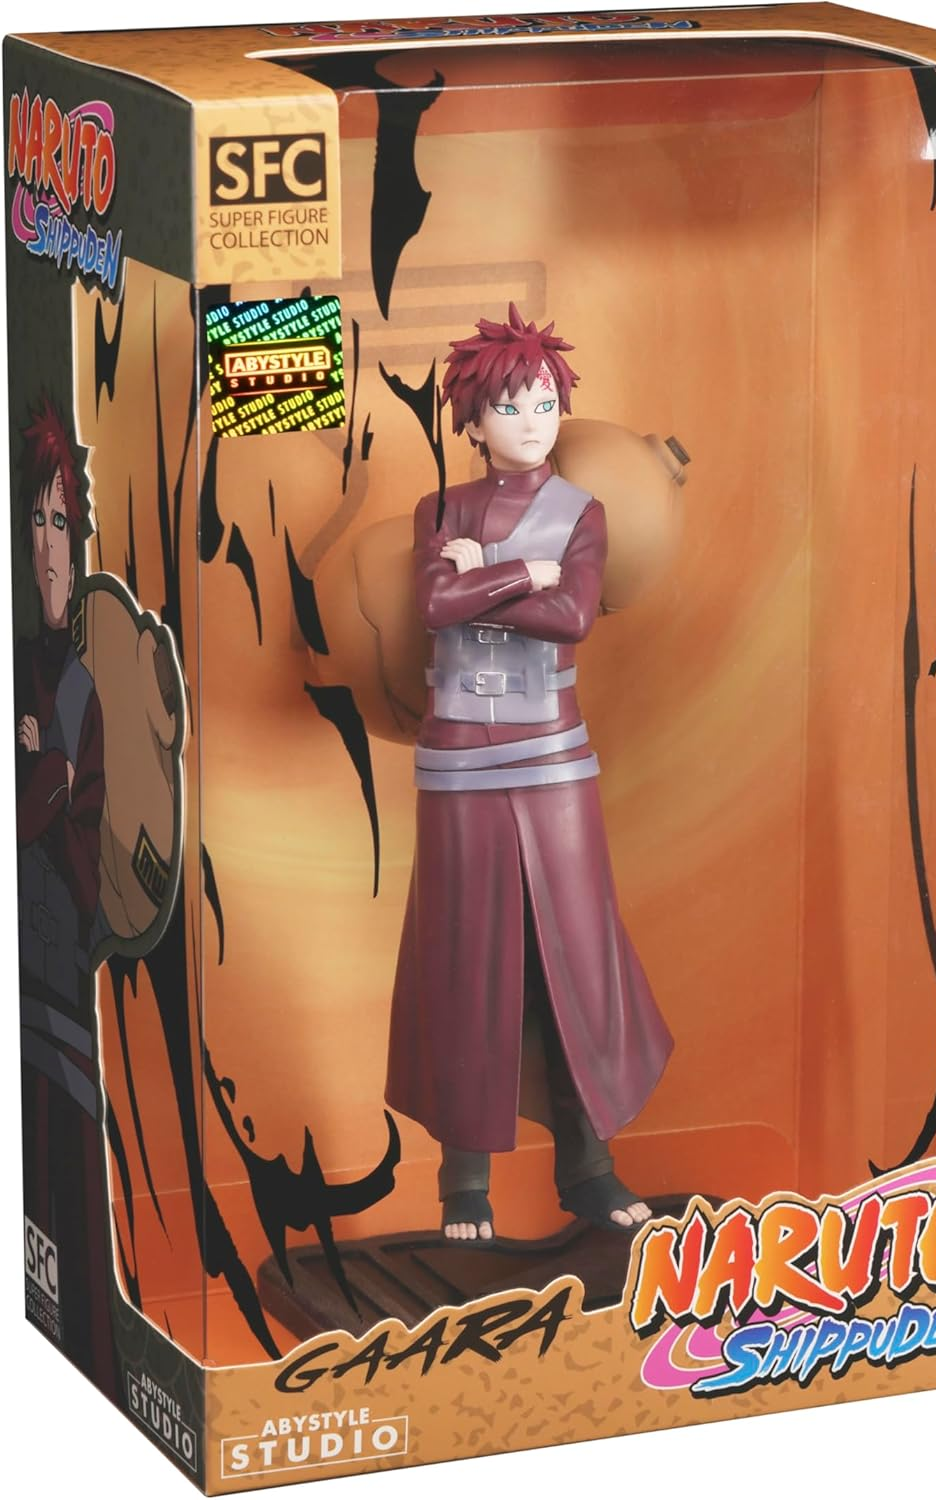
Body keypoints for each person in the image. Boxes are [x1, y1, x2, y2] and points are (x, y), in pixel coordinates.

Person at [387, 304, 672, 1241]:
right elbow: (434, 604)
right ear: (472, 421)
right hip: (458, 769)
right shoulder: (438, 511)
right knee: (466, 959)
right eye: (510, 405)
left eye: (545, 401)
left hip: (552, 762)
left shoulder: (583, 514)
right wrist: (526, 576)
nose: (532, 419)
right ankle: (462, 1184)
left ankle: (588, 1169)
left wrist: (487, 577)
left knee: (573, 957)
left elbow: (573, 617)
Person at [15, 397, 113, 1393]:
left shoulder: (78, 680)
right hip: (34, 967)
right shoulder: (34, 671)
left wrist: (49, 774)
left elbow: (58, 798)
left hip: (70, 972)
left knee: (74, 1170)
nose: (50, 551)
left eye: (61, 525)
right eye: (35, 523)